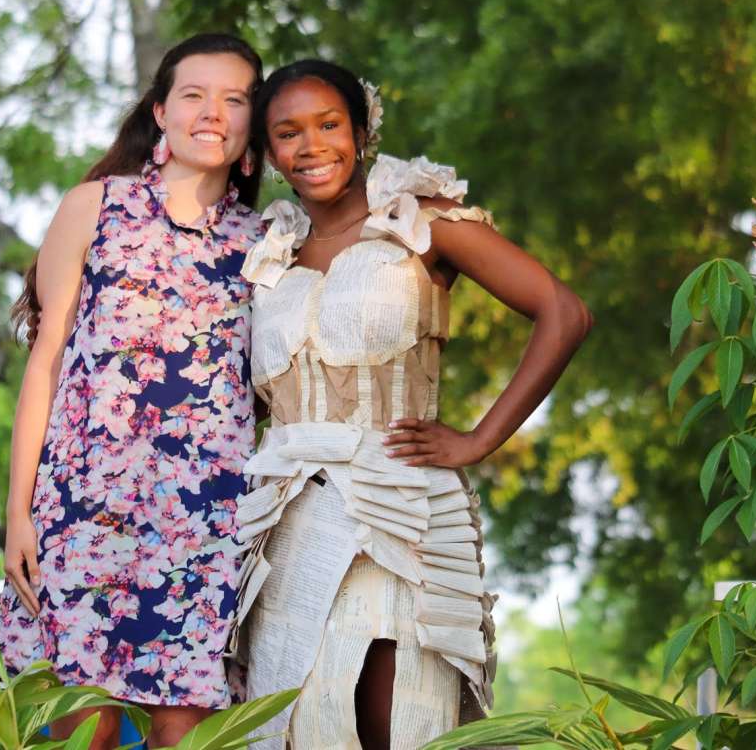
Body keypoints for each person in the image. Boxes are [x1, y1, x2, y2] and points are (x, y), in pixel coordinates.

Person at [233, 59, 592, 749]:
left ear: (362, 130)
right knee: (295, 721)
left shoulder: (416, 222)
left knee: (389, 718)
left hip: (395, 509)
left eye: (329, 125)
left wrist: (478, 439)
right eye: (288, 133)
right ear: (269, 153)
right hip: (284, 525)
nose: (311, 146)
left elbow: (563, 312)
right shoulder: (267, 251)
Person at [0, 33, 267, 749]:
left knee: (187, 733)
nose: (213, 112)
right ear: (161, 111)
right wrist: (17, 514)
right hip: (83, 515)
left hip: (206, 526)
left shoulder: (268, 241)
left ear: (250, 128)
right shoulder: (95, 206)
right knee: (84, 731)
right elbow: (45, 364)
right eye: (194, 94)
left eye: (235, 99)